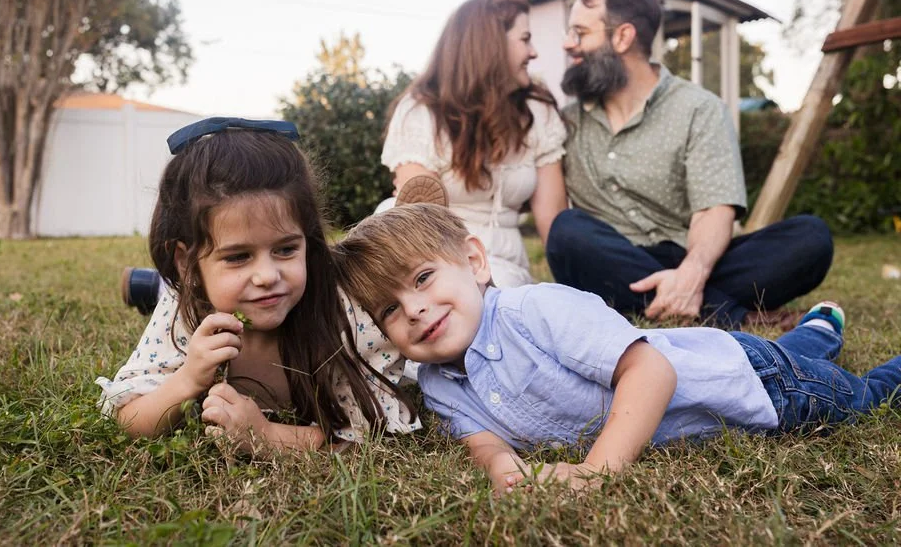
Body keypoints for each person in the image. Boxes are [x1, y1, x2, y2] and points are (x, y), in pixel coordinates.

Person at [332, 204, 901, 494]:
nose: (413, 309)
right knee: (808, 355)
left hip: (756, 384)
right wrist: (507, 472)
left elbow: (649, 370)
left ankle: (821, 349)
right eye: (388, 308)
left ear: (476, 262)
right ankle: (819, 332)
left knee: (865, 400)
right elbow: (481, 441)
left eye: (424, 278)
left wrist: (596, 471)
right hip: (746, 366)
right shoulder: (435, 385)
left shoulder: (537, 311)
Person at [96, 117, 419, 450]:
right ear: (186, 262)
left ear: (307, 241)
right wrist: (187, 379)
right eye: (238, 257)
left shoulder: (345, 315)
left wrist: (265, 436)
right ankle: (156, 287)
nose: (267, 276)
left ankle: (155, 284)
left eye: (286, 249)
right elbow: (126, 419)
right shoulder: (184, 313)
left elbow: (376, 435)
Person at [547, 0, 833, 329]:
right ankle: (735, 316)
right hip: (610, 256)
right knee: (567, 233)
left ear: (622, 37)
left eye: (579, 33)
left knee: (811, 238)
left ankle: (670, 297)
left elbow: (715, 209)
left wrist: (691, 274)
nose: (567, 44)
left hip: (691, 253)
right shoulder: (566, 120)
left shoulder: (699, 108)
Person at [381, 0, 568, 287]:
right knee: (390, 211)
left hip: (506, 266)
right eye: (525, 39)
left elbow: (555, 226)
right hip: (438, 258)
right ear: (491, 45)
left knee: (502, 292)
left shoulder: (537, 112)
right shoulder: (421, 113)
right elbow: (419, 222)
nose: (533, 52)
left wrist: (570, 297)